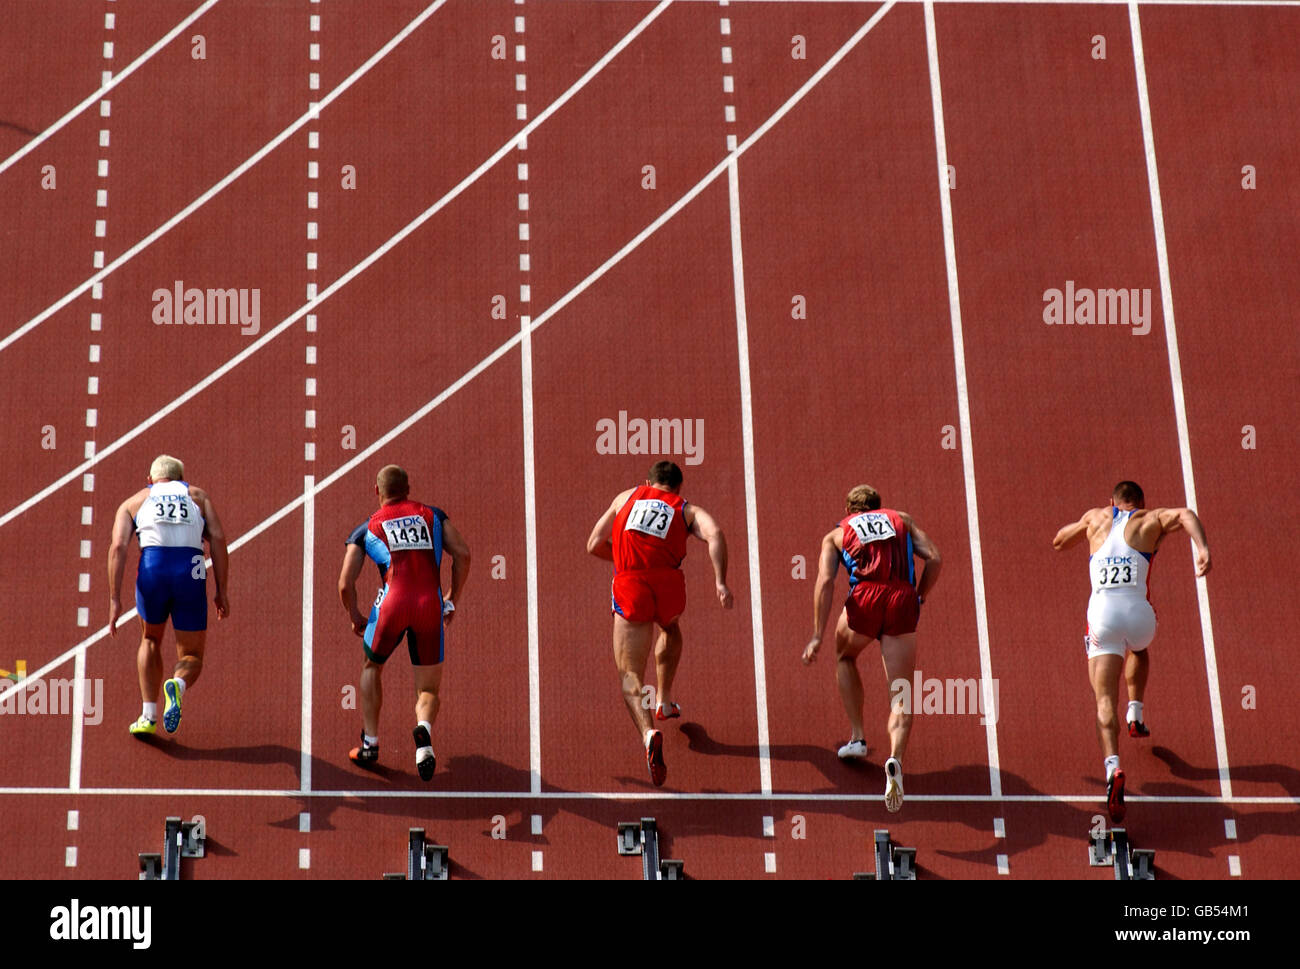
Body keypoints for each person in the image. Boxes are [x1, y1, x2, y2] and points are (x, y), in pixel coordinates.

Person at [1053, 480, 1210, 822]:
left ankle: (1113, 769)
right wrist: (1202, 549)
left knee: (1104, 699)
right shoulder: (1149, 520)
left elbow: (1059, 541)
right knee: (1138, 647)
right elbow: (1185, 514)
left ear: (1111, 501)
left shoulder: (1095, 517)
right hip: (1139, 617)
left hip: (1103, 617)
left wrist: (1084, 528)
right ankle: (1136, 713)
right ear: (1141, 502)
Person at [586, 461, 733, 787]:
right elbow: (716, 535)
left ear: (648, 482)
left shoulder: (625, 497)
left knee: (630, 675)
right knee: (669, 627)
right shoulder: (687, 510)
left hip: (631, 583)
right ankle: (665, 699)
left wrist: (625, 559)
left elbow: (594, 543)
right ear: (678, 488)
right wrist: (721, 582)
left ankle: (649, 731)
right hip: (668, 584)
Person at [802, 484, 941, 813]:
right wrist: (920, 594)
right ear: (880, 506)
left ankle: (858, 736)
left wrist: (817, 634)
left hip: (865, 599)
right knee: (902, 694)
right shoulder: (901, 519)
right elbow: (934, 557)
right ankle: (895, 758)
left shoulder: (836, 535)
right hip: (902, 600)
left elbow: (824, 582)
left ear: (850, 510)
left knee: (845, 656)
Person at [338, 465, 469, 780]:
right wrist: (452, 598)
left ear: (377, 491)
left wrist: (354, 614)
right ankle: (423, 736)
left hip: (392, 605)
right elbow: (462, 554)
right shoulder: (434, 516)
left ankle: (370, 743)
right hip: (429, 605)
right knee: (427, 688)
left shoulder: (366, 528)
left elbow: (345, 583)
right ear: (408, 488)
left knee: (372, 667)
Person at [107, 455, 229, 736]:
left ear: (150, 480)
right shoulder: (198, 496)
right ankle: (179, 684)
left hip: (154, 568)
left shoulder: (133, 502)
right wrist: (222, 591)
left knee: (150, 639)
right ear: (182, 479)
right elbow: (219, 540)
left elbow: (118, 548)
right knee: (192, 654)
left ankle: (148, 715)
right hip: (191, 570)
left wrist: (114, 599)